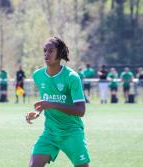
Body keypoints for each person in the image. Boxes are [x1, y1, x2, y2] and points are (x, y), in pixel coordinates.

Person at [26, 37, 90, 167]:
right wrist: (37, 112)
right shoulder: (38, 75)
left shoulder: (72, 77)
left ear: (60, 53)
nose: (46, 54)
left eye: (50, 51)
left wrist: (52, 105)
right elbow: (47, 100)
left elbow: (80, 110)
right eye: (45, 50)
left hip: (71, 132)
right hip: (50, 132)